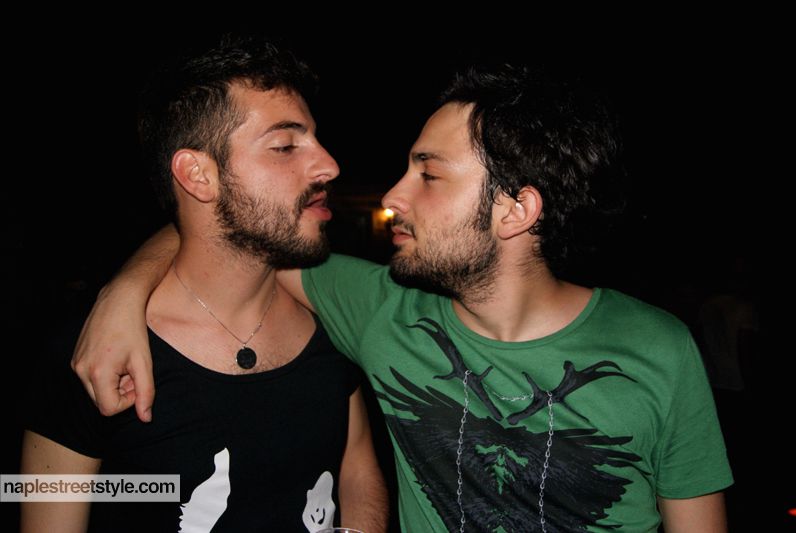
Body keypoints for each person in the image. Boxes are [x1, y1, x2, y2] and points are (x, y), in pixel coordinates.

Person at [71, 64, 732, 532]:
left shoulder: (658, 348)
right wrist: (122, 291)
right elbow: (230, 229)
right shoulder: (382, 309)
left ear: (515, 210)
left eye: (429, 174)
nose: (392, 195)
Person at [21, 36, 387, 533]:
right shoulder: (91, 354)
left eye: (315, 139)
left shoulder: (331, 316)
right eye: (285, 146)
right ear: (198, 175)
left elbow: (357, 471)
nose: (329, 165)